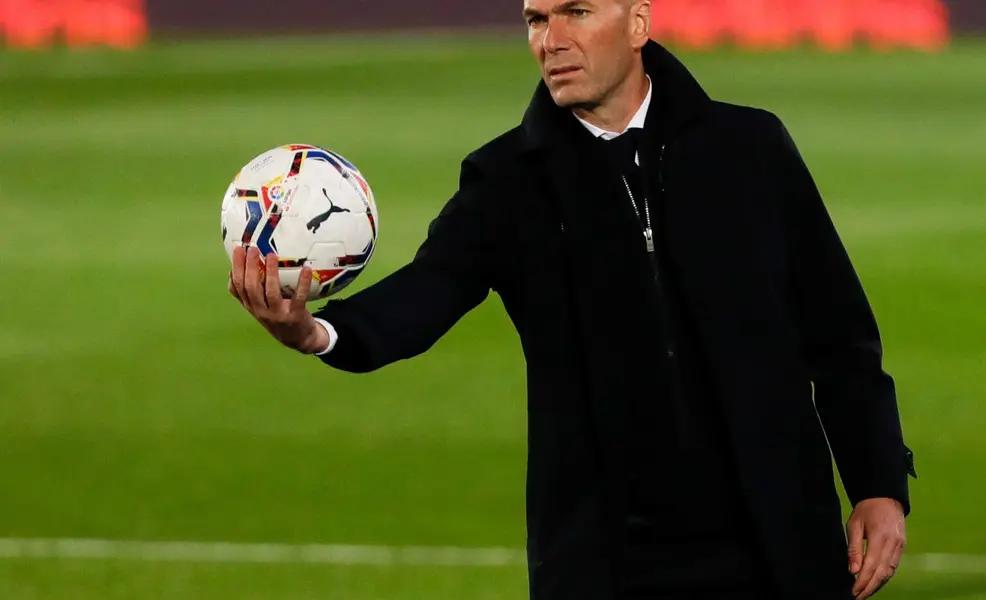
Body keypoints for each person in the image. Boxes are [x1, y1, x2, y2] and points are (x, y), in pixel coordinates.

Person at [228, 0, 917, 598]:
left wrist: (878, 482)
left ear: (638, 21)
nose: (550, 40)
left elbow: (839, 335)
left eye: (576, 13)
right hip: (606, 566)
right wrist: (316, 333)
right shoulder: (508, 180)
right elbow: (427, 291)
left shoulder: (749, 149)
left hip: (777, 550)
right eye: (535, 19)